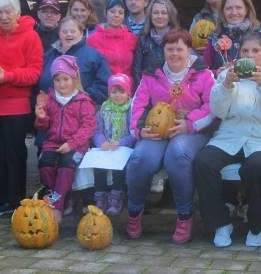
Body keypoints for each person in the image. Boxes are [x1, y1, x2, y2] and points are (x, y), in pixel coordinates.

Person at [195, 32, 261, 248]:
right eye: (245, 51)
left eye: (255, 51)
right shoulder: (228, 75)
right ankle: (221, 222)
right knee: (204, 162)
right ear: (238, 53)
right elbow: (218, 111)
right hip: (231, 136)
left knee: (257, 166)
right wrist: (226, 87)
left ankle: (257, 224)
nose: (250, 55)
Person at [126, 29, 215, 244]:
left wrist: (190, 123)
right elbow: (138, 104)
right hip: (157, 130)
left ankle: (184, 215)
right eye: (170, 49)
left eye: (179, 49)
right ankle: (134, 212)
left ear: (189, 50)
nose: (175, 53)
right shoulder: (151, 74)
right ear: (163, 50)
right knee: (140, 159)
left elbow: (212, 106)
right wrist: (138, 129)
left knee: (178, 154)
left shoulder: (203, 74)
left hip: (191, 131)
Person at [0, 0, 43, 217]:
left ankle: (16, 200)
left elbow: (34, 73)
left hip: (16, 104)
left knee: (14, 153)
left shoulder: (30, 37)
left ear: (17, 14)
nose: (3, 17)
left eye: (8, 12)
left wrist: (7, 76)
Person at [35, 55, 97, 223]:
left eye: (66, 79)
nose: (62, 84)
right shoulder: (50, 100)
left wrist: (71, 144)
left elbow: (88, 127)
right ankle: (61, 195)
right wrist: (41, 118)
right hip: (53, 142)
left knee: (66, 166)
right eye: (57, 80)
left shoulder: (83, 101)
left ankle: (57, 207)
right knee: (45, 164)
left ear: (74, 79)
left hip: (77, 145)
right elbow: (43, 127)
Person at [39, 16, 110, 106]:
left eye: (73, 31)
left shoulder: (95, 56)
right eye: (64, 32)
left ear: (81, 33)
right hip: (52, 111)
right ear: (59, 34)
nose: (69, 34)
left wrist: (85, 96)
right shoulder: (49, 55)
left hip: (82, 112)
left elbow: (103, 86)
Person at [91, 74, 136, 216]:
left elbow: (134, 133)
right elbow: (97, 130)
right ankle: (101, 197)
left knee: (119, 169)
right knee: (98, 167)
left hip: (123, 148)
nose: (117, 95)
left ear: (128, 93)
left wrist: (121, 142)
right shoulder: (103, 109)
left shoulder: (131, 110)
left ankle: (117, 198)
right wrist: (101, 142)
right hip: (106, 147)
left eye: (121, 92)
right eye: (113, 92)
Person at [203, 0, 261, 74]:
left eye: (238, 7)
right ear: (222, 11)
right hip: (223, 86)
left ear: (247, 9)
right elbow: (203, 71)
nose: (234, 12)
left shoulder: (258, 33)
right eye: (229, 8)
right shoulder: (215, 37)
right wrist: (216, 72)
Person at [87, 0, 138, 82]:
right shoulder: (92, 39)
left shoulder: (132, 38)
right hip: (103, 88)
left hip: (127, 89)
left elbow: (137, 67)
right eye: (112, 11)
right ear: (105, 13)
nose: (116, 15)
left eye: (120, 12)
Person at [133, 0, 181, 85]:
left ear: (170, 16)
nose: (159, 16)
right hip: (148, 92)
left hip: (173, 91)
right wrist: (142, 92)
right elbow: (137, 70)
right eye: (155, 13)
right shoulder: (142, 39)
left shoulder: (179, 38)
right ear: (150, 15)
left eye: (164, 13)